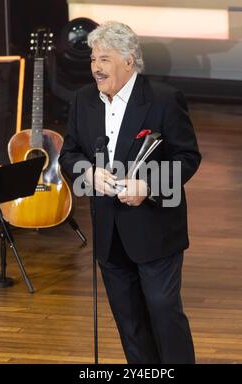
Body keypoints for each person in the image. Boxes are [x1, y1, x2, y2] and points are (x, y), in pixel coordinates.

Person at [59, 21, 201, 364]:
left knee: (163, 313)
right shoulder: (83, 100)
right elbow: (69, 154)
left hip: (155, 230)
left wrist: (149, 186)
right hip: (108, 232)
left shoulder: (163, 99)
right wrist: (89, 174)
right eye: (94, 58)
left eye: (104, 59)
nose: (96, 67)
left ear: (129, 60)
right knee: (130, 324)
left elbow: (188, 157)